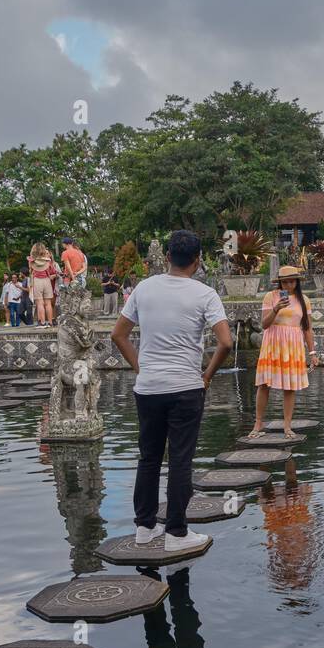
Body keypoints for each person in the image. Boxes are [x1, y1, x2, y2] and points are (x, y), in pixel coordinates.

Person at [111, 230, 234, 551]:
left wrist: (142, 368)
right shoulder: (205, 294)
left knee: (148, 458)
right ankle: (177, 532)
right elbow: (226, 342)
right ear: (197, 261)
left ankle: (145, 527)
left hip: (148, 388)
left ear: (166, 257)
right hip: (185, 387)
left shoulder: (143, 288)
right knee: (180, 459)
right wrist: (207, 375)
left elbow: (118, 335)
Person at [250, 265, 319, 438]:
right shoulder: (270, 297)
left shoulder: (304, 300)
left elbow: (308, 328)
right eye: (285, 281)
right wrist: (276, 309)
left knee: (290, 387)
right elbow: (264, 325)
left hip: (293, 344)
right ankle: (258, 423)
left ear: (297, 281)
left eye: (292, 281)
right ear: (279, 282)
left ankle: (287, 426)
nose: (289, 285)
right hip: (273, 343)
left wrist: (312, 353)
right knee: (264, 384)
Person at [28, 243, 58, 327]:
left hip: (37, 280)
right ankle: (51, 322)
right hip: (47, 281)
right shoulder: (47, 259)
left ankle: (42, 322)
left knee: (39, 303)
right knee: (48, 303)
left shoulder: (31, 259)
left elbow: (30, 271)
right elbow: (52, 270)